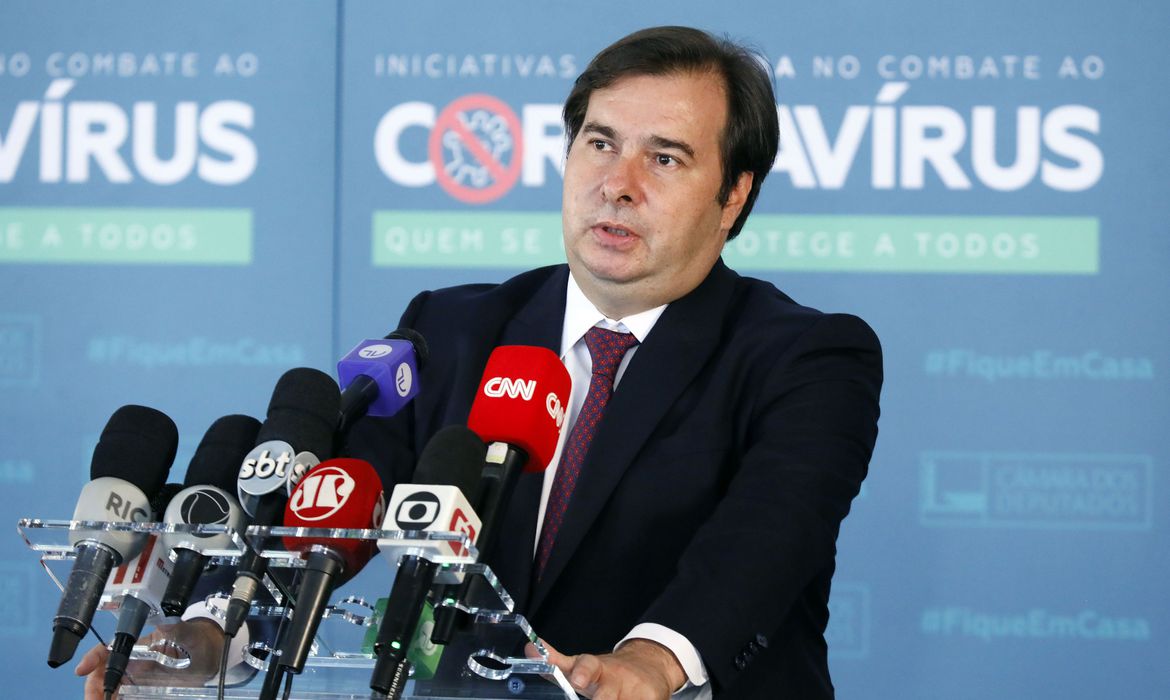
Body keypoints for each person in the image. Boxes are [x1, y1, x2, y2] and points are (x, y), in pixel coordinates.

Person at [346, 25, 883, 699]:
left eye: (665, 158)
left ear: (734, 195)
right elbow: (344, 491)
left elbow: (768, 537)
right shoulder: (449, 329)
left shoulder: (808, 358)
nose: (617, 186)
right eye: (600, 144)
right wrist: (232, 617)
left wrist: (651, 662)